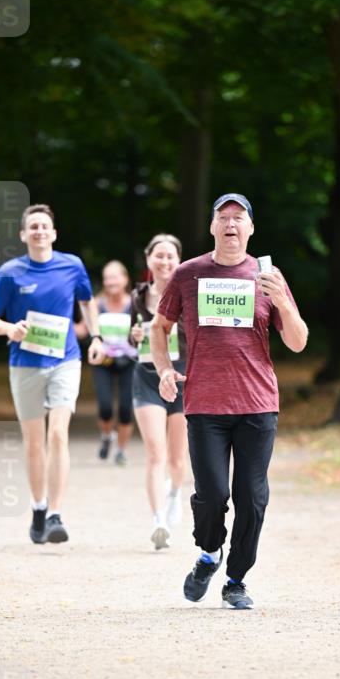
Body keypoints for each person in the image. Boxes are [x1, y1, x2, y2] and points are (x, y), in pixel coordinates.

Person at [150, 193, 308, 609]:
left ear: (251, 228)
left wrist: (283, 302)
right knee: (212, 495)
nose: (231, 225)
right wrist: (165, 369)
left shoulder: (267, 275)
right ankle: (208, 553)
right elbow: (159, 327)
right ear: (212, 227)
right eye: (224, 218)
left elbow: (296, 341)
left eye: (240, 218)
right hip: (204, 403)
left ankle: (235, 579)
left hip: (258, 403)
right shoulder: (188, 274)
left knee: (253, 499)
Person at [0, 204, 102, 543]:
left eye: (44, 226)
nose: (39, 232)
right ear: (23, 235)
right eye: (33, 227)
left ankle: (56, 514)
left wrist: (97, 337)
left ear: (54, 233)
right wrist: (9, 328)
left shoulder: (72, 265)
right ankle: (38, 506)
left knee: (58, 435)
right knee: (35, 442)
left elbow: (87, 302)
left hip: (65, 360)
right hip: (25, 363)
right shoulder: (10, 271)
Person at [129, 234, 188, 550]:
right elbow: (129, 338)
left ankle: (175, 493)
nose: (165, 262)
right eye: (159, 256)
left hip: (182, 379)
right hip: (147, 377)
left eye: (171, 257)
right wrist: (134, 334)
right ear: (148, 259)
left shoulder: (188, 294)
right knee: (155, 452)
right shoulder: (137, 296)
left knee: (177, 460)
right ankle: (158, 521)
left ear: (179, 260)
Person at [75, 260, 136, 465]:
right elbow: (83, 330)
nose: (111, 281)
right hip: (103, 361)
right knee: (105, 407)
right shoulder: (97, 304)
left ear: (125, 279)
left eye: (115, 276)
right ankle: (106, 435)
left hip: (130, 362)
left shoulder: (134, 303)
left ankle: (121, 450)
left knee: (126, 409)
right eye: (107, 278)